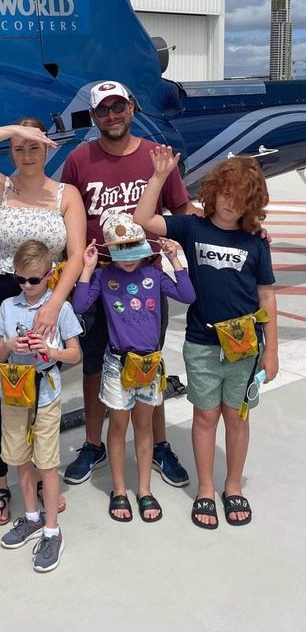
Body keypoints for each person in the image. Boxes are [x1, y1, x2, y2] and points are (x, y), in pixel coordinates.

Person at [134, 148, 278, 528]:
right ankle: (205, 489)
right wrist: (160, 176)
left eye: (243, 197)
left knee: (237, 415)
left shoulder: (255, 242)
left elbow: (266, 294)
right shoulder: (192, 227)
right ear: (213, 191)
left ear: (253, 203)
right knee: (205, 416)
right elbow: (143, 219)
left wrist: (272, 350)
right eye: (227, 192)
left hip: (245, 346)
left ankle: (233, 486)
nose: (232, 203)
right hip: (201, 343)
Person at [0, 119, 85, 525]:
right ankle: (0, 481)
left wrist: (53, 305)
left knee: (44, 388)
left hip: (47, 297)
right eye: (19, 148)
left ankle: (42, 476)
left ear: (47, 148)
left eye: (34, 147)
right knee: (1, 392)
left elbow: (76, 256)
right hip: (1, 295)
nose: (27, 155)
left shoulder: (66, 195)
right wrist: (12, 128)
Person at [61, 80, 193, 489]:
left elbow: (182, 209)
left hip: (148, 277)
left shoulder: (155, 159)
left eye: (119, 107)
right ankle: (93, 443)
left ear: (132, 108)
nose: (112, 116)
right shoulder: (80, 160)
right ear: (94, 116)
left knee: (148, 361)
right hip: (100, 277)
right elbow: (69, 217)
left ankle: (158, 445)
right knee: (95, 364)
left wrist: (238, 232)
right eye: (103, 110)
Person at [72, 214, 195, 523]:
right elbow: (79, 305)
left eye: (132, 246)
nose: (127, 257)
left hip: (150, 364)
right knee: (118, 426)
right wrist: (87, 269)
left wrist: (174, 260)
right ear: (109, 250)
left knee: (143, 427)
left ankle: (143, 489)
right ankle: (119, 490)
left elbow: (188, 295)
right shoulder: (104, 276)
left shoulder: (152, 275)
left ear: (143, 246)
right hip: (117, 364)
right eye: (119, 248)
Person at [0, 240, 82, 572]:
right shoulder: (7, 306)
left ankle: (52, 529)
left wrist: (50, 352)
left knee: (46, 462)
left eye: (35, 280)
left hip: (45, 390)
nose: (28, 287)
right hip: (15, 390)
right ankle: (31, 516)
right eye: (21, 280)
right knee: (19, 456)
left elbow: (75, 354)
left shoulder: (61, 309)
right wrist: (11, 345)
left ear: (49, 275)